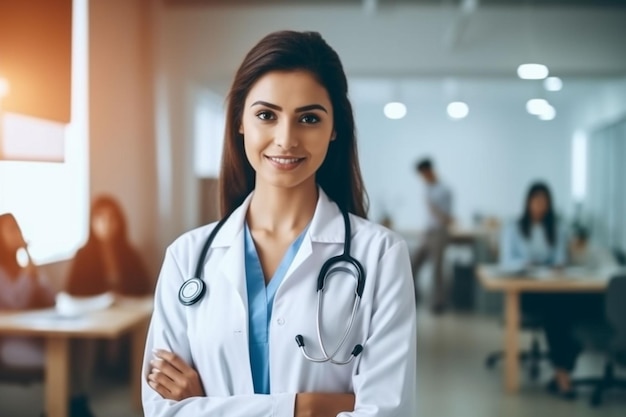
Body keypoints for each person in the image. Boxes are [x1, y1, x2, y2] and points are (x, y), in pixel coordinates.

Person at [141, 30, 417, 416]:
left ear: (334, 129)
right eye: (266, 115)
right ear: (240, 121)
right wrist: (310, 408)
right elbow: (162, 410)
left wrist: (208, 405)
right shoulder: (186, 257)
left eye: (308, 118)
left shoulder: (381, 256)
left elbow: (386, 411)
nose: (286, 139)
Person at [499, 182, 602, 400]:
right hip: (528, 292)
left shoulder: (558, 228)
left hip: (554, 288)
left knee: (567, 306)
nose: (540, 207)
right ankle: (565, 366)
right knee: (557, 309)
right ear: (528, 203)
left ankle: (561, 370)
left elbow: (560, 258)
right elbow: (506, 262)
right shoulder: (513, 228)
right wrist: (526, 264)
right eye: (536, 202)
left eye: (544, 202)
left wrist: (557, 265)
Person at [0, 213, 96, 417]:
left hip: (36, 336)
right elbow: (16, 302)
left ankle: (74, 404)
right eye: (9, 230)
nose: (16, 234)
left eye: (17, 228)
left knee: (78, 345)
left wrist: (30, 262)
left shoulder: (23, 267)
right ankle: (68, 408)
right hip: (10, 343)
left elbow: (51, 298)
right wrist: (27, 276)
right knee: (61, 357)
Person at [65, 195, 153, 297]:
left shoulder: (130, 254)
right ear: (92, 222)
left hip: (128, 311)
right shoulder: (83, 256)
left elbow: (144, 287)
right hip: (95, 311)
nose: (107, 223)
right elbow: (73, 291)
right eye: (101, 218)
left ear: (119, 221)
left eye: (112, 217)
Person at [411, 158, 454, 313]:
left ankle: (438, 303)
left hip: (439, 233)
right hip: (427, 233)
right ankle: (413, 298)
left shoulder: (444, 189)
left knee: (437, 268)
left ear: (429, 170)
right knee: (413, 263)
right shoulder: (426, 189)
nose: (422, 177)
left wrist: (433, 208)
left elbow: (447, 219)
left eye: (423, 173)